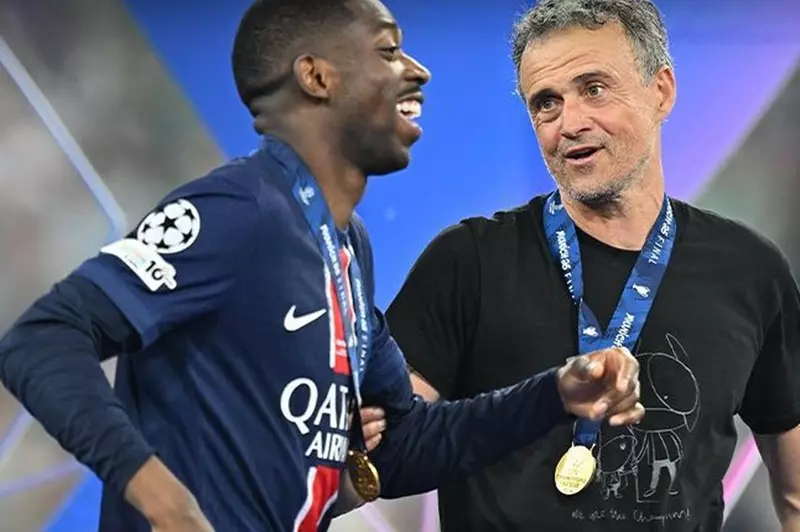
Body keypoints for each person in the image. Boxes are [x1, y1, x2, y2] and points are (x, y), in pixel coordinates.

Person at [0, 1, 644, 531]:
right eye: (388, 51)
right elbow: (42, 339)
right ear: (316, 76)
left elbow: (405, 442)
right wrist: (165, 502)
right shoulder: (239, 211)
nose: (416, 71)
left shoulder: (345, 246)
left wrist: (555, 394)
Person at [385, 0, 800, 531]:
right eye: (547, 103)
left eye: (595, 89)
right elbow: (390, 452)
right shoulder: (467, 263)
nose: (571, 123)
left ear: (661, 91)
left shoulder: (750, 270)